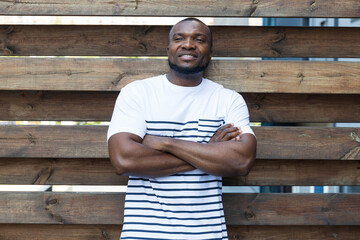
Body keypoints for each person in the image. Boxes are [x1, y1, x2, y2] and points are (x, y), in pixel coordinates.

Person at [107, 17, 257, 240]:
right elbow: (124, 160)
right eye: (179, 38)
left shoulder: (228, 100)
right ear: (169, 50)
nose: (188, 44)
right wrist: (208, 150)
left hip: (207, 235)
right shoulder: (138, 93)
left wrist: (167, 143)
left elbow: (241, 161)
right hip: (144, 234)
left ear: (210, 52)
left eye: (199, 39)